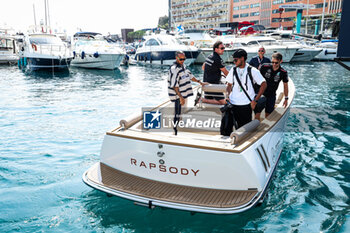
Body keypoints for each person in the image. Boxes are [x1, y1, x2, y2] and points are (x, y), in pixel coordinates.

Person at [226, 49, 267, 129]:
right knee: (229, 127)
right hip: (232, 104)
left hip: (246, 105)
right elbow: (229, 85)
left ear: (242, 58)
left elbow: (264, 84)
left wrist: (255, 100)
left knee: (244, 128)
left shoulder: (252, 70)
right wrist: (227, 96)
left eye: (235, 60)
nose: (234, 62)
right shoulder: (233, 70)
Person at [168, 51, 205, 135]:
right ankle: (174, 131)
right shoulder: (174, 69)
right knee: (177, 113)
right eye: (181, 59)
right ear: (176, 58)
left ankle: (179, 127)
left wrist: (199, 82)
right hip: (178, 95)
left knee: (181, 111)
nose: (183, 60)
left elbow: (190, 75)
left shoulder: (183, 66)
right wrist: (180, 97)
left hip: (184, 94)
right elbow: (174, 85)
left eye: (184, 59)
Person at [255, 52, 289, 120]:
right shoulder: (264, 67)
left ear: (280, 61)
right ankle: (256, 126)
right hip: (261, 93)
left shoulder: (283, 72)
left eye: (276, 63)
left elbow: (285, 85)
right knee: (257, 112)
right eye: (272, 62)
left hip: (271, 94)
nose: (274, 64)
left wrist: (286, 98)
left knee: (268, 114)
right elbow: (255, 78)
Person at [199, 41, 229, 105]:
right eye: (222, 48)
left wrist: (215, 73)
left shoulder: (210, 56)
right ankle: (201, 100)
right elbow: (226, 72)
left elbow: (203, 67)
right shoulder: (217, 59)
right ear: (216, 49)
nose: (223, 50)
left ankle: (204, 99)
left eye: (224, 48)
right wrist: (234, 79)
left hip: (206, 84)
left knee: (212, 99)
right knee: (225, 102)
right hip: (213, 86)